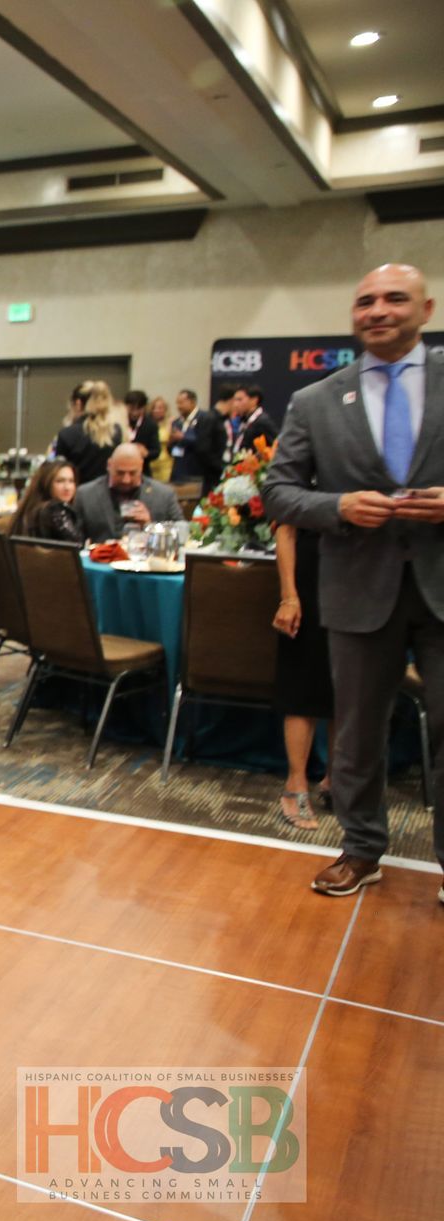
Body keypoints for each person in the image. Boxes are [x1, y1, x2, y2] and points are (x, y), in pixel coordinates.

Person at [265, 262, 444, 899]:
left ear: (425, 310)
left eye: (395, 298)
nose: (378, 310)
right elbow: (278, 492)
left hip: (439, 588)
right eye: (365, 301)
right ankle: (362, 849)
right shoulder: (315, 401)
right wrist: (336, 507)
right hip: (355, 591)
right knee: (358, 732)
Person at [272, 523, 333, 830]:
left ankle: (336, 781)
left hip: (362, 575)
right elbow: (285, 530)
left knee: (349, 688)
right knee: (302, 684)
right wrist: (289, 597)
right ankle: (295, 784)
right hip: (307, 576)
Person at [69, 443, 183, 541]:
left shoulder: (164, 494)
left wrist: (150, 526)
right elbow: (74, 541)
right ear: (109, 465)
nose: (126, 480)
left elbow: (181, 533)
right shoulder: (85, 495)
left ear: (141, 467)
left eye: (132, 473)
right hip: (99, 563)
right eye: (120, 473)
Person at [50, 380, 130, 486]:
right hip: (108, 495)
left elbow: (58, 472)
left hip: (77, 496)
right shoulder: (116, 431)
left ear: (78, 404)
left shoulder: (67, 434)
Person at [13, 459, 85, 543]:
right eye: (60, 481)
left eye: (71, 481)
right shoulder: (55, 510)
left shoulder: (33, 508)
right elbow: (77, 544)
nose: (67, 487)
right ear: (46, 483)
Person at [168, 388, 225, 488]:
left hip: (197, 470)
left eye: (181, 403)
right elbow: (173, 450)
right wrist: (171, 443)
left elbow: (204, 443)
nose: (179, 406)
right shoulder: (176, 423)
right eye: (177, 403)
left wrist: (183, 437)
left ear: (192, 402)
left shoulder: (205, 419)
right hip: (179, 471)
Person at [229, 384, 277, 455]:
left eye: (239, 399)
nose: (235, 404)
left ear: (254, 400)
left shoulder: (262, 422)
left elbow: (277, 447)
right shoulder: (243, 420)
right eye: (235, 400)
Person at [124, 389, 162, 466]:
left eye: (138, 409)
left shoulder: (150, 424)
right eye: (131, 409)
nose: (135, 413)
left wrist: (146, 453)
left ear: (144, 407)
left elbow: (156, 451)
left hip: (142, 468)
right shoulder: (120, 422)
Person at [148, 395, 175, 482]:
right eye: (154, 408)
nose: (157, 410)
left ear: (165, 410)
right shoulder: (147, 424)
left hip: (166, 463)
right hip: (151, 462)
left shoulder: (171, 423)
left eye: (160, 408)